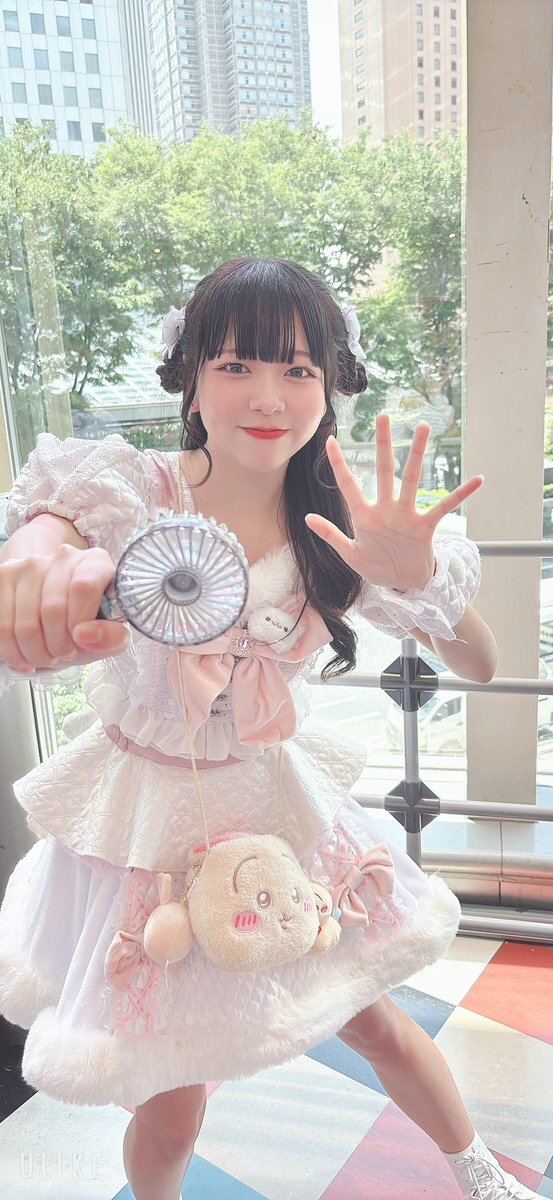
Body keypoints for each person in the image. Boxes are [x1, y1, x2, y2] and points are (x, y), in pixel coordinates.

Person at [0, 256, 535, 1200]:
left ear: (329, 388)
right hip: (144, 818)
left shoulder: (341, 527)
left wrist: (414, 579)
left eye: (298, 369)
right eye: (236, 364)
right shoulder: (134, 492)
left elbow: (483, 665)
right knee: (171, 1097)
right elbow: (53, 528)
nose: (267, 396)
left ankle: (480, 1172)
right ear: (192, 377)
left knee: (373, 1021)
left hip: (273, 797)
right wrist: (39, 550)